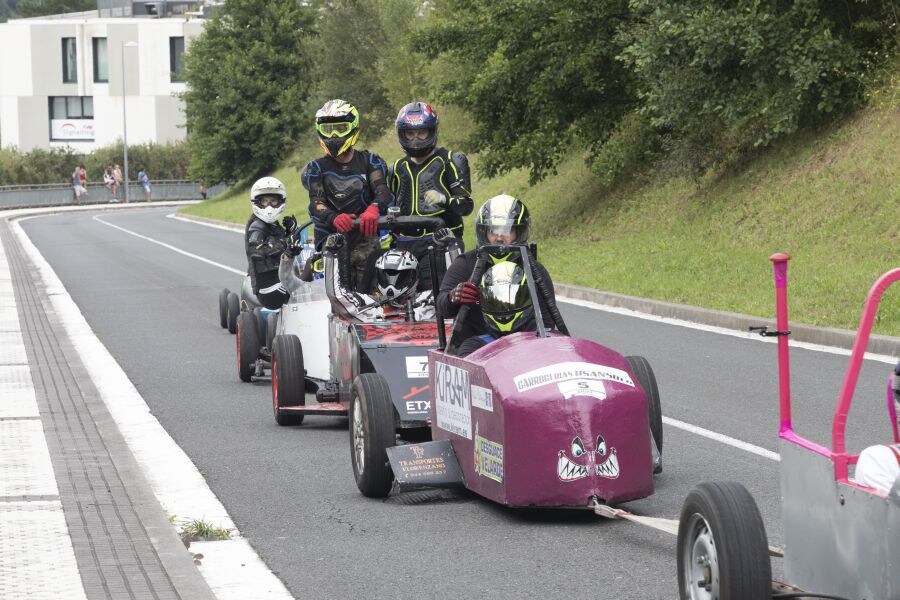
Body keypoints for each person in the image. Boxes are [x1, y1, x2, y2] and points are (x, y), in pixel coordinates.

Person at [437, 194, 568, 353]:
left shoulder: (535, 269)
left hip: (524, 344)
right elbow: (441, 306)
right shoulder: (465, 264)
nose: (499, 237)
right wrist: (453, 297)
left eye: (507, 230)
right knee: (466, 349)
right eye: (493, 230)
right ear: (484, 231)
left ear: (518, 232)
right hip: (478, 344)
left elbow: (547, 321)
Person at [301, 99, 391, 291]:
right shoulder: (316, 168)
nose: (333, 135)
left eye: (340, 128)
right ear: (320, 131)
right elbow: (316, 203)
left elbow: (383, 192)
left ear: (352, 128)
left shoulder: (371, 161)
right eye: (328, 129)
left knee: (372, 294)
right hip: (330, 241)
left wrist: (374, 209)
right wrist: (334, 218)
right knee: (333, 295)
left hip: (366, 240)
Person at [388, 101, 473, 289]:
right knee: (392, 293)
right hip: (403, 245)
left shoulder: (451, 160)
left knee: (441, 297)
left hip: (441, 242)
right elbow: (388, 204)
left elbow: (466, 205)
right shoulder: (396, 168)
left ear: (431, 131)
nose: (416, 139)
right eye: (410, 134)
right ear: (402, 134)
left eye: (421, 133)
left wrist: (444, 199)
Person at [317, 233, 434, 322]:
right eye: (387, 275)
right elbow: (337, 296)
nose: (392, 283)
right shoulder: (368, 305)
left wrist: (452, 248)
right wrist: (331, 254)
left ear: (415, 279)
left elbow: (450, 297)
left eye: (400, 276)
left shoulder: (426, 302)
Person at [246, 176, 297, 310]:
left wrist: (291, 232)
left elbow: (285, 245)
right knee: (305, 290)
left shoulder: (272, 225)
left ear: (280, 201)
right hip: (268, 288)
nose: (269, 206)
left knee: (310, 273)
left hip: (280, 279)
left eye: (273, 201)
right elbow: (257, 252)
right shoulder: (256, 227)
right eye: (264, 201)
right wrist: (285, 245)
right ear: (257, 202)